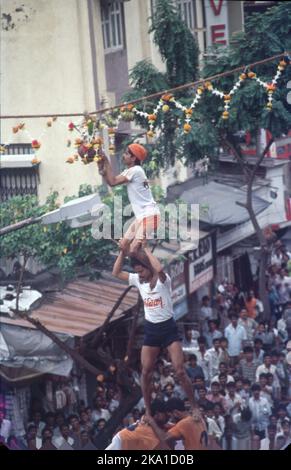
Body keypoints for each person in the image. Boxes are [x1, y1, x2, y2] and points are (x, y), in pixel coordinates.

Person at [112, 242, 197, 416]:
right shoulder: (137, 280)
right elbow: (116, 272)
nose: (139, 275)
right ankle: (148, 412)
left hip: (168, 329)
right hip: (151, 331)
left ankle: (194, 406)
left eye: (141, 270)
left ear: (148, 268)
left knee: (179, 370)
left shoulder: (164, 282)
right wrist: (122, 252)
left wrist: (145, 251)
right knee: (146, 372)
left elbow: (159, 269)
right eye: (137, 272)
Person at [98, 143, 160, 254]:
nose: (123, 156)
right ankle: (142, 266)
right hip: (142, 217)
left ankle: (151, 270)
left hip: (150, 215)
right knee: (123, 245)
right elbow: (111, 181)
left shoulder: (135, 170)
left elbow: (113, 181)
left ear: (133, 158)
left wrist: (106, 160)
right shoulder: (131, 170)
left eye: (126, 154)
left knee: (133, 249)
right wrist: (103, 171)